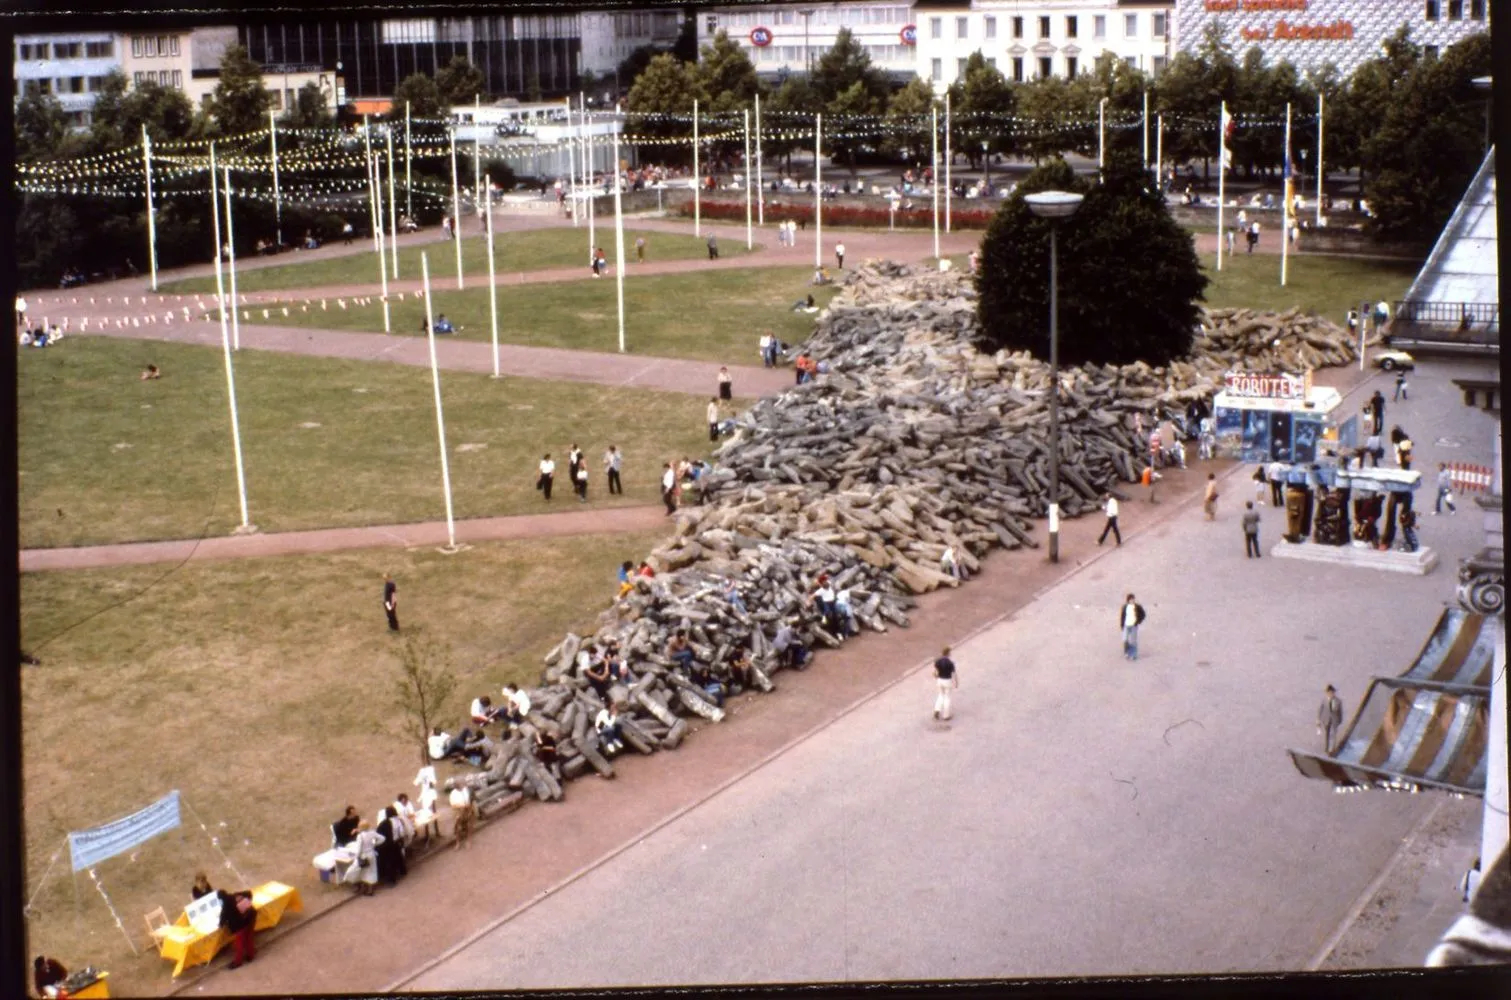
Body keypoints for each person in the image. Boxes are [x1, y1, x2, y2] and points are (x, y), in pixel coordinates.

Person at [217, 885, 259, 963]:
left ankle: (238, 962)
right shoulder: (235, 895)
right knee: (249, 938)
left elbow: (222, 919)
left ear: (221, 899)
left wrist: (220, 924)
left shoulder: (226, 906)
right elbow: (249, 893)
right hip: (251, 917)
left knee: (239, 944)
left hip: (240, 925)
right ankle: (251, 955)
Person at [374, 807, 407, 886]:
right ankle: (402, 871)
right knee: (399, 857)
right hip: (396, 842)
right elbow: (402, 832)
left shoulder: (384, 823)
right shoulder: (399, 820)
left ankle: (392, 879)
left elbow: (379, 834)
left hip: (388, 845)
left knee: (388, 862)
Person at [447, 781, 476, 848]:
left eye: (461, 785)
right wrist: (462, 806)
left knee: (469, 825)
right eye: (459, 785)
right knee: (458, 827)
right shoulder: (453, 794)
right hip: (458, 810)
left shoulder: (465, 790)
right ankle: (458, 843)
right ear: (456, 786)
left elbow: (469, 800)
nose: (461, 786)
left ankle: (468, 841)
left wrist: (469, 807)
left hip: (467, 809)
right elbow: (453, 805)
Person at [933, 646, 958, 721]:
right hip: (947, 680)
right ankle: (946, 715)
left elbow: (935, 672)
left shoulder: (938, 661)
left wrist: (936, 677)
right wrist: (956, 682)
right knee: (947, 697)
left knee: (940, 695)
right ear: (948, 653)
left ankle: (937, 709)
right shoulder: (950, 663)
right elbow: (954, 674)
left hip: (940, 680)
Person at [1119, 594, 1146, 661]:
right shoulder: (1125, 607)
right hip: (1126, 625)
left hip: (1134, 625)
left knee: (1133, 641)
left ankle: (1133, 654)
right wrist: (1122, 625)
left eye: (1133, 599)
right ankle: (1127, 652)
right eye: (1131, 599)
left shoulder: (1137, 607)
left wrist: (1139, 621)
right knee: (1125, 639)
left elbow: (1143, 614)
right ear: (1128, 600)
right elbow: (1122, 616)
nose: (1132, 600)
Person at [1318, 685, 1344, 755]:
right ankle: (1327, 747)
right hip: (1326, 720)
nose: (1330, 694)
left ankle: (1332, 749)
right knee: (1327, 734)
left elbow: (1340, 712)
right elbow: (1321, 710)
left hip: (1334, 720)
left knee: (1333, 734)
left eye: (1332, 692)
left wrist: (1340, 720)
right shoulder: (1324, 700)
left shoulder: (1338, 701)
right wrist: (1319, 719)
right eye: (1329, 692)